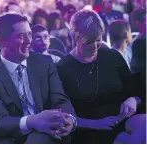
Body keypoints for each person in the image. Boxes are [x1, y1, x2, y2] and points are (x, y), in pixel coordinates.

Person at [0, 13, 76, 144]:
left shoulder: (44, 63)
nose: (29, 41)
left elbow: (61, 100)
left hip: (49, 135)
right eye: (21, 36)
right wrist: (33, 121)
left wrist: (70, 120)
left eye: (29, 34)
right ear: (1, 41)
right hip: (9, 139)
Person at [57, 9, 142, 143]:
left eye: (98, 40)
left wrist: (133, 99)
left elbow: (136, 90)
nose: (95, 47)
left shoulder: (112, 56)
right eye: (88, 42)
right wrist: (96, 124)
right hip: (89, 131)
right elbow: (63, 115)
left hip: (122, 121)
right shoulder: (63, 68)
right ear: (75, 37)